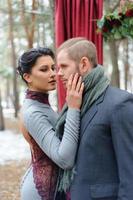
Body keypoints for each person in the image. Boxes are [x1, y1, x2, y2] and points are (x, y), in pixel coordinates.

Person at [56, 37, 133, 200]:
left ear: (83, 64)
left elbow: (130, 174)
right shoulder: (73, 106)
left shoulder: (119, 104)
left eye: (63, 66)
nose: (58, 73)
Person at [17, 47, 84, 200]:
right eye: (44, 69)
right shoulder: (33, 112)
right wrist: (73, 108)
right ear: (28, 77)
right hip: (42, 192)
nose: (53, 73)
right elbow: (65, 160)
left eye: (53, 68)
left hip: (52, 187)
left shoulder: (41, 105)